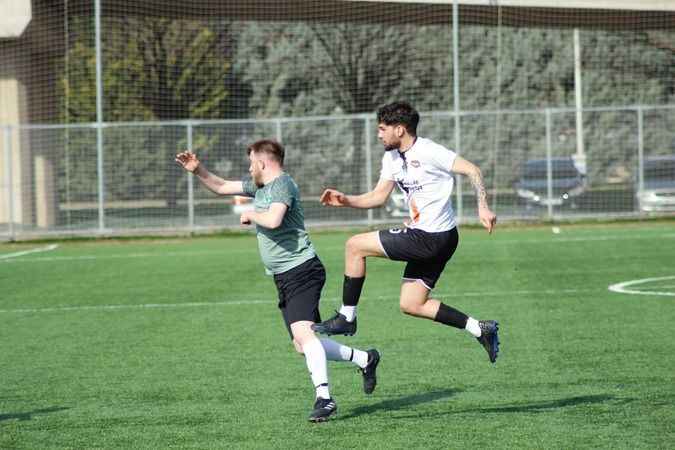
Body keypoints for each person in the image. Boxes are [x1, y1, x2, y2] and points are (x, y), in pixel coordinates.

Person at [175, 140, 380, 422]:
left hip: (302, 270)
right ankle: (364, 359)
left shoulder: (283, 184)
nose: (249, 168)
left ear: (262, 163)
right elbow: (222, 186)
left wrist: (250, 214)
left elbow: (273, 219)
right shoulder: (258, 186)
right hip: (284, 276)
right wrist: (198, 170)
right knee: (302, 344)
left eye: (251, 163)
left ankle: (325, 398)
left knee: (305, 336)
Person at [311, 102, 500, 364]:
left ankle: (347, 317)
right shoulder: (390, 158)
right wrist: (346, 200)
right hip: (440, 238)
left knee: (355, 246)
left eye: (382, 129)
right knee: (412, 304)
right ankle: (480, 329)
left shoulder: (429, 151)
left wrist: (483, 207)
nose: (378, 134)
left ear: (399, 129)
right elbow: (378, 197)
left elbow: (473, 170)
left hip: (430, 238)